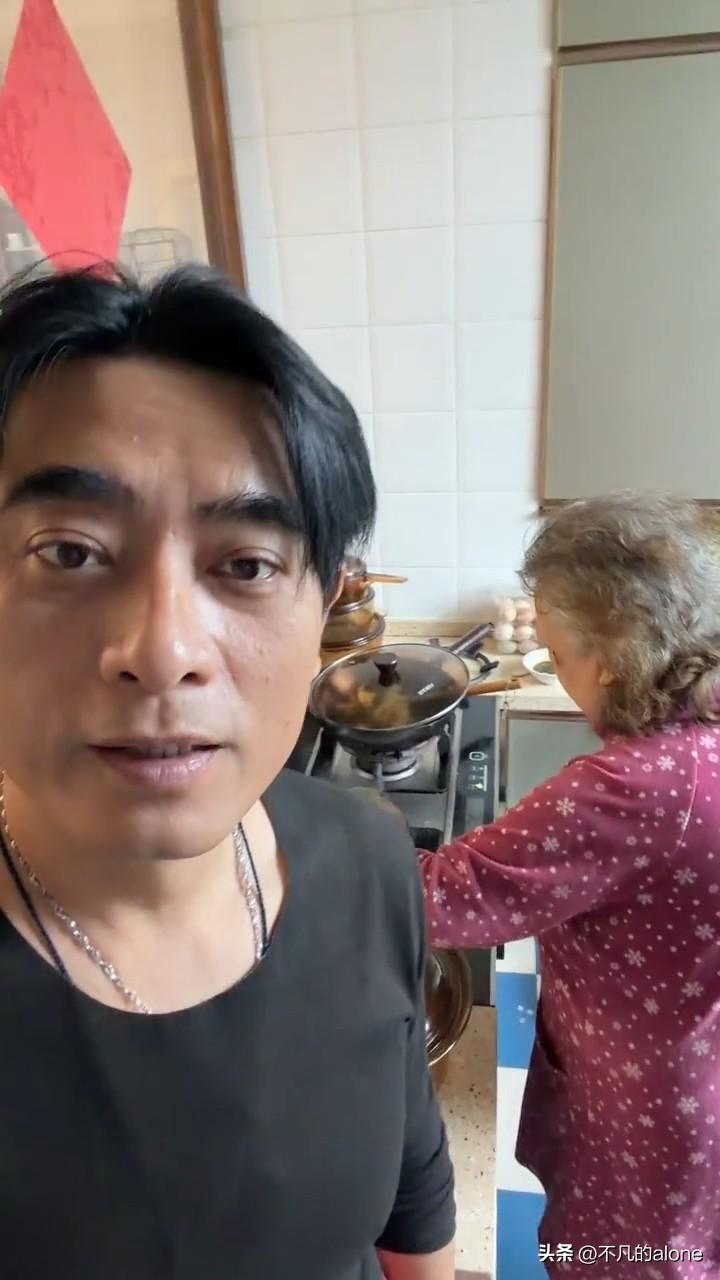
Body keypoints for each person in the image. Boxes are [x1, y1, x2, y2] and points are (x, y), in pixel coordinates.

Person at [0, 264, 455, 1280]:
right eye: (69, 552)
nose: (164, 652)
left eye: (246, 564)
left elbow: (413, 1192)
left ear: (325, 609)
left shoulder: (367, 856)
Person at [419, 495, 720, 1280]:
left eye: (557, 652)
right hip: (697, 1071)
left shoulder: (633, 792)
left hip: (649, 1111)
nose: (555, 666)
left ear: (611, 658)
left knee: (625, 1261)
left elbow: (443, 899)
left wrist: (328, 840)